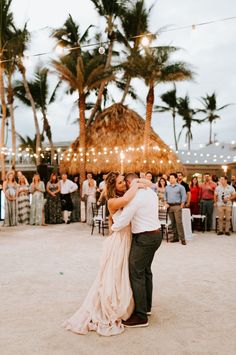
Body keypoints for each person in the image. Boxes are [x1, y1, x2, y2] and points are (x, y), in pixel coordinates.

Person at [63, 172, 150, 336]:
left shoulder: (127, 192)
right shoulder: (112, 201)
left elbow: (148, 184)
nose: (124, 185)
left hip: (130, 237)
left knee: (128, 271)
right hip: (120, 239)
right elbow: (125, 201)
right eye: (120, 183)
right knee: (116, 272)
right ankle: (115, 304)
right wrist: (136, 185)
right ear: (113, 187)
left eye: (124, 182)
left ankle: (137, 305)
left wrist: (137, 180)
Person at [112, 173, 162, 328]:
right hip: (156, 235)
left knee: (136, 272)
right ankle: (146, 307)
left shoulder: (135, 197)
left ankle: (141, 316)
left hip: (144, 239)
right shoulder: (150, 192)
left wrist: (113, 227)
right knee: (146, 270)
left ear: (128, 183)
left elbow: (123, 221)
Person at [164, 173, 187, 245]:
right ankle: (175, 238)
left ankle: (182, 239)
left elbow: (184, 196)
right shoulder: (167, 187)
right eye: (170, 178)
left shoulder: (181, 187)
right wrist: (165, 203)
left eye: (172, 178)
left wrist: (182, 205)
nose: (171, 179)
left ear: (176, 179)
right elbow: (165, 196)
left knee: (179, 222)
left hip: (177, 206)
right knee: (173, 223)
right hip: (169, 206)